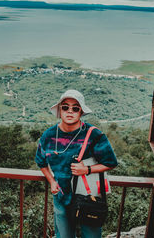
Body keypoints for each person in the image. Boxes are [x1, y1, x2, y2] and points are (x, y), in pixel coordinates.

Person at [35, 89, 118, 238]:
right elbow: (40, 161)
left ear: (81, 112)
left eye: (75, 108)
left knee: (91, 236)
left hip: (88, 197)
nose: (70, 111)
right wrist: (52, 181)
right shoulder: (48, 135)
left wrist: (86, 169)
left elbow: (111, 162)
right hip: (61, 196)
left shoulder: (93, 134)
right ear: (60, 110)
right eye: (65, 107)